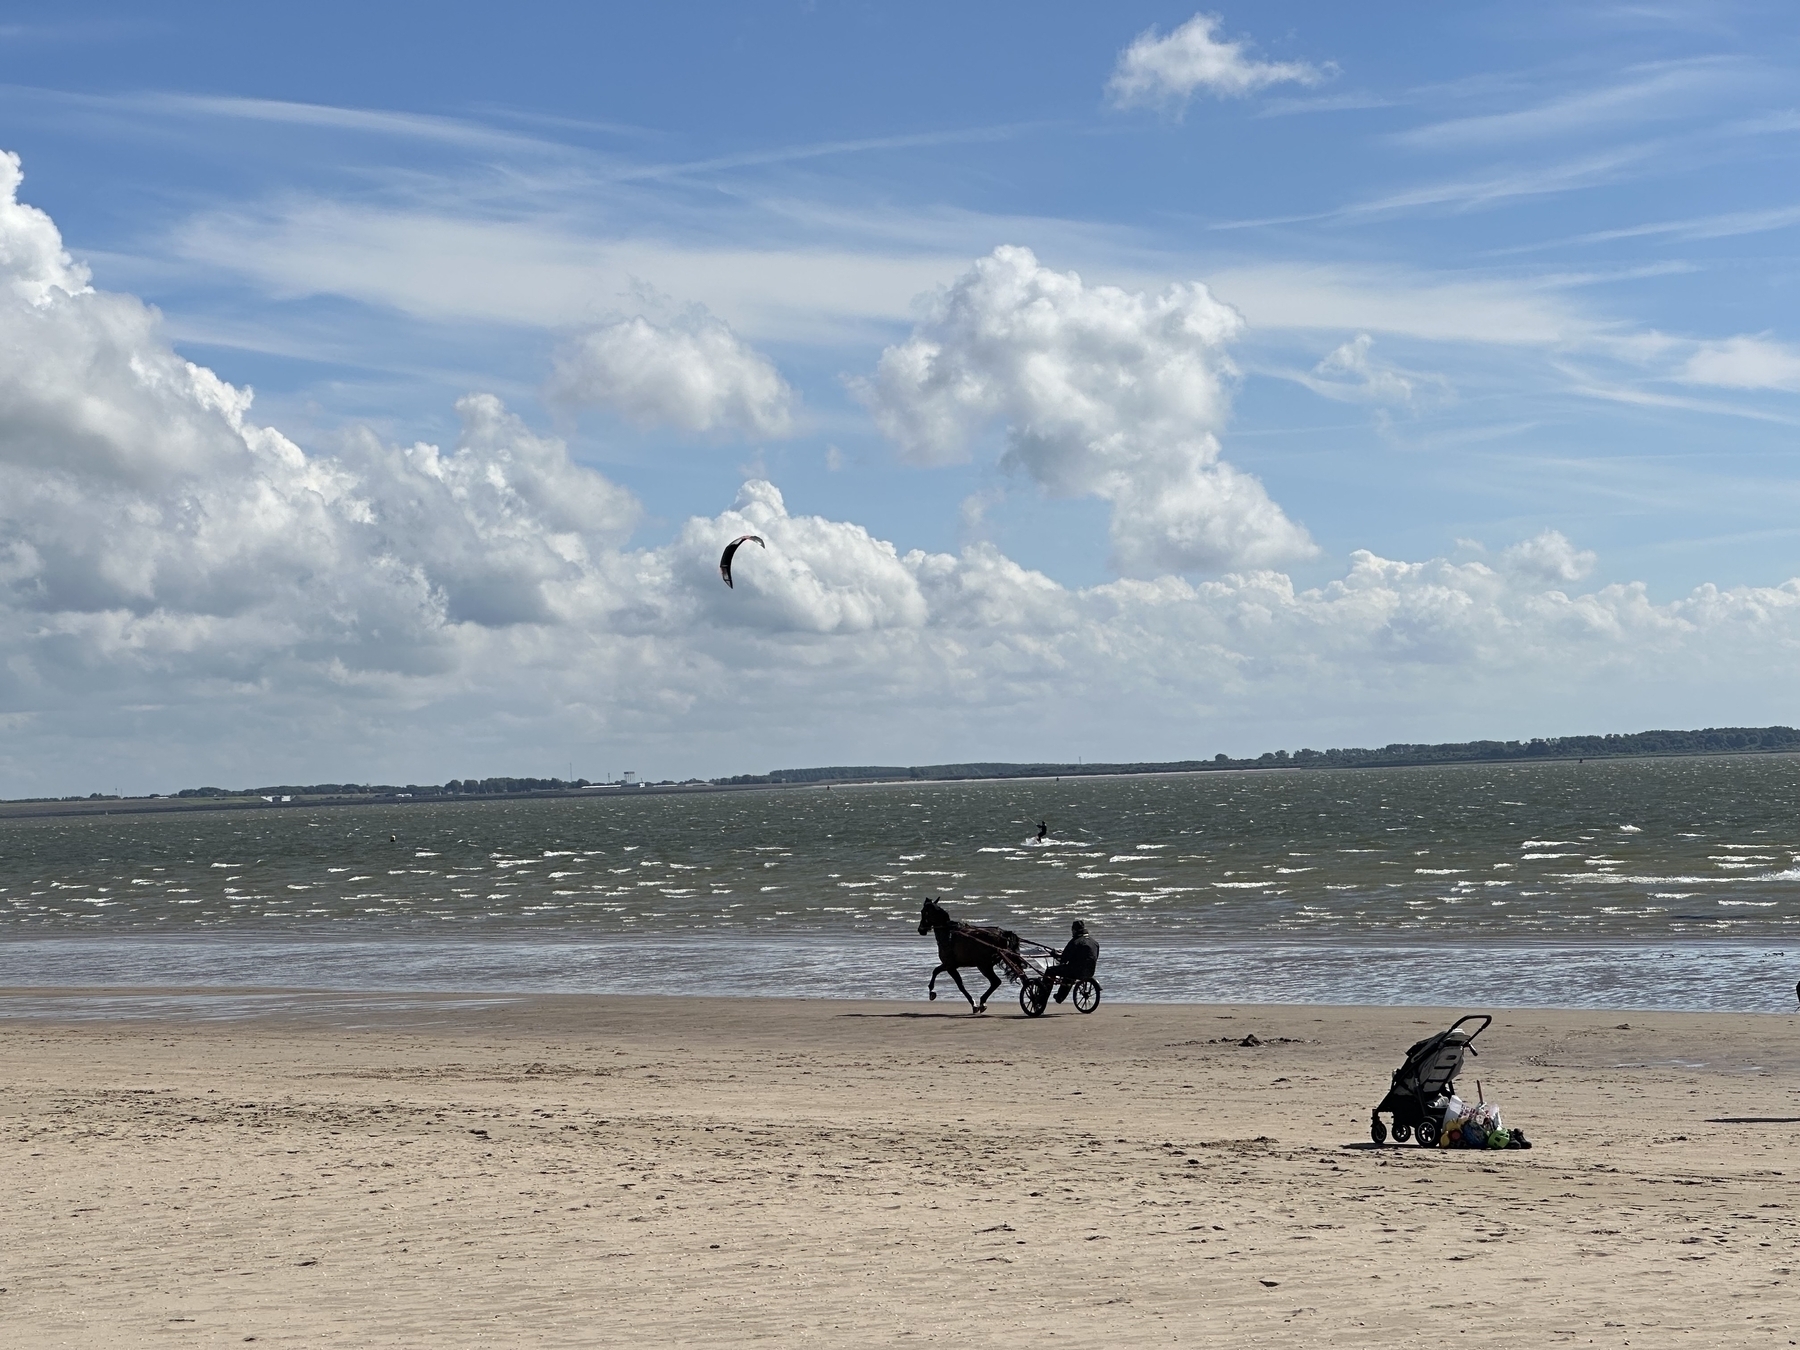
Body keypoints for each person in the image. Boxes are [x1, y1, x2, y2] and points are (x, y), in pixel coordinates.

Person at [1048, 919, 1099, 1003]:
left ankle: (1042, 995)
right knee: (1068, 975)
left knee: (1051, 970)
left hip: (1075, 971)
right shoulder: (1094, 942)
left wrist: (1055, 955)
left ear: (1074, 930)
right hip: (1089, 971)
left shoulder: (1075, 941)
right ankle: (1059, 997)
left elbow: (1064, 958)